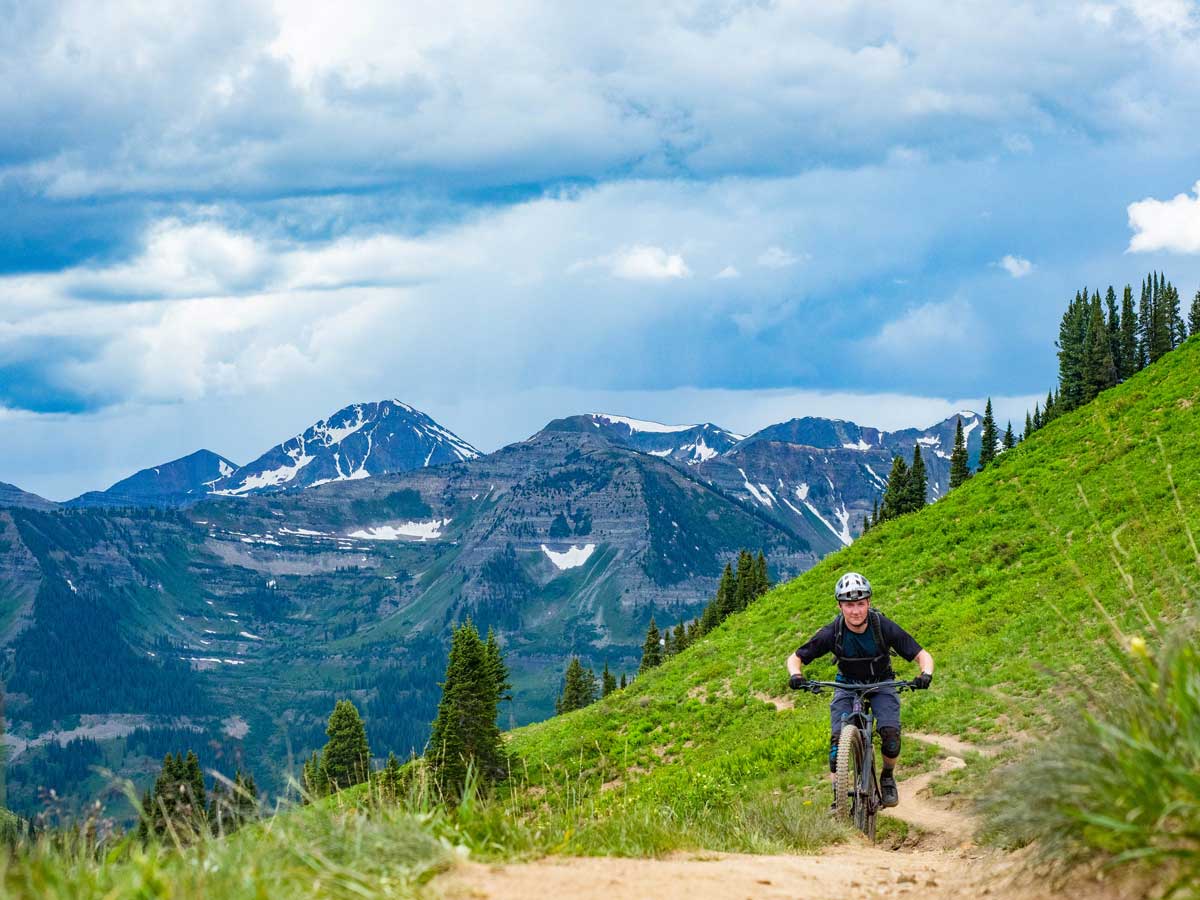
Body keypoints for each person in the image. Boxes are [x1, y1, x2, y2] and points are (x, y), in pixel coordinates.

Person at [786, 572, 934, 808]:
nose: (855, 611)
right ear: (840, 606)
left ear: (868, 603)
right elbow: (795, 658)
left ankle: (887, 776)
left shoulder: (882, 626)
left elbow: (922, 655)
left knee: (891, 736)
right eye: (849, 605)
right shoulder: (833, 631)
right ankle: (838, 798)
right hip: (846, 685)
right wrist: (796, 675)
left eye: (860, 604)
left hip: (881, 683)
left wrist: (925, 674)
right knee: (837, 745)